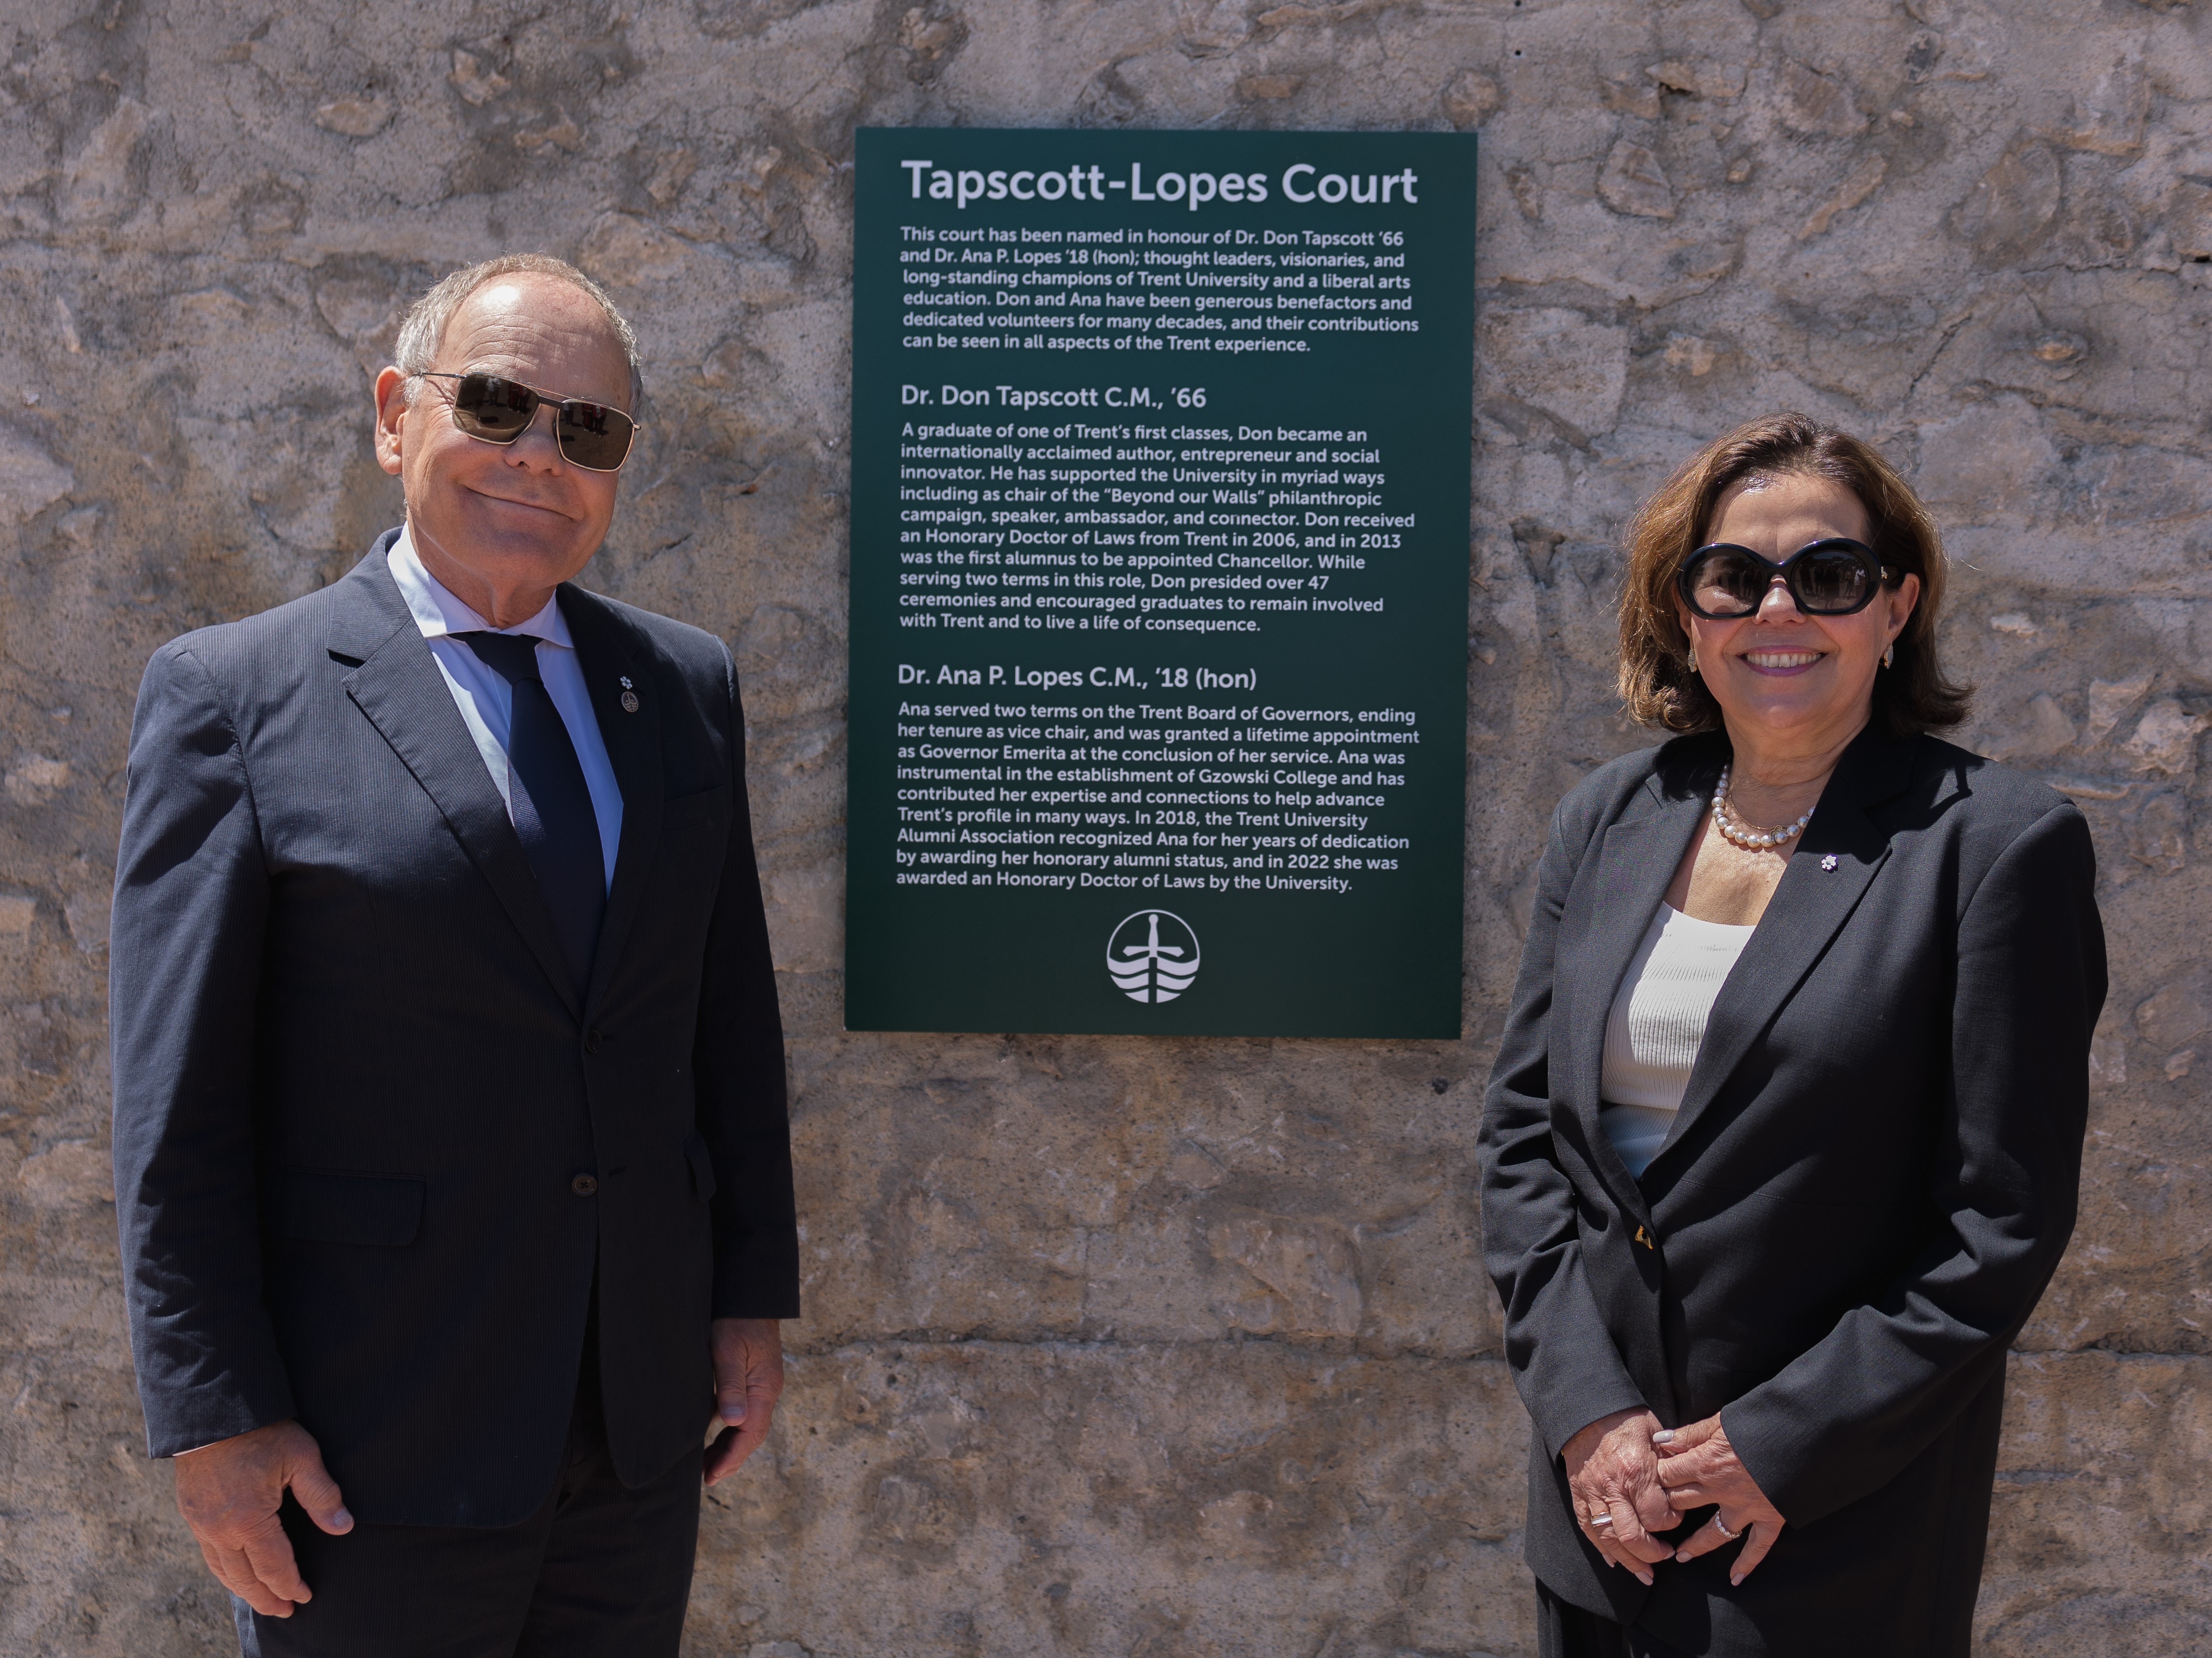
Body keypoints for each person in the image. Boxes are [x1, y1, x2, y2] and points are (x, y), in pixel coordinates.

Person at [110, 253, 797, 1657]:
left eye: (586, 430)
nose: (539, 457)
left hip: (634, 1435)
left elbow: (724, 1023)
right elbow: (176, 1112)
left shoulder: (680, 691)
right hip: (373, 1448)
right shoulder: (236, 699)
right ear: (393, 416)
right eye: (497, 405)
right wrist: (217, 1417)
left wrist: (746, 1297)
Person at [1478, 412, 2106, 1658]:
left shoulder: (1993, 847)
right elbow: (1522, 1144)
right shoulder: (1610, 817)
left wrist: (1780, 1444)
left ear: (1896, 609)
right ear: (1683, 613)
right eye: (1734, 577)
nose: (1780, 611)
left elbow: (2001, 1221)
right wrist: (1588, 1414)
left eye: (1829, 576)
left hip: (1827, 1523)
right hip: (1606, 1508)